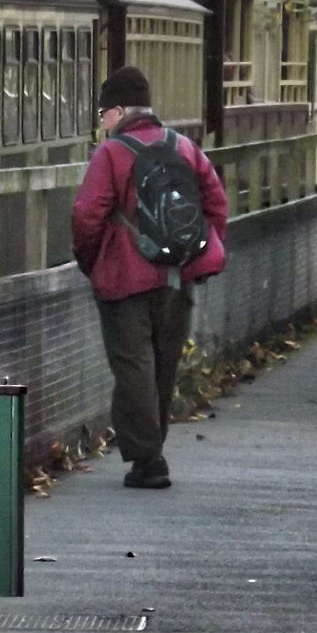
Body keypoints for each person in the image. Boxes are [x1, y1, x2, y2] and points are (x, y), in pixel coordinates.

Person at [71, 65, 229, 490]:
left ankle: (148, 458)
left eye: (104, 114)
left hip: (124, 279)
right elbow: (217, 204)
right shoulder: (185, 147)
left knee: (133, 364)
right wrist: (196, 257)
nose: (102, 123)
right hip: (177, 278)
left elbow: (87, 215)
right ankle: (150, 450)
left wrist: (92, 260)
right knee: (162, 362)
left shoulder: (112, 153)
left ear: (119, 111)